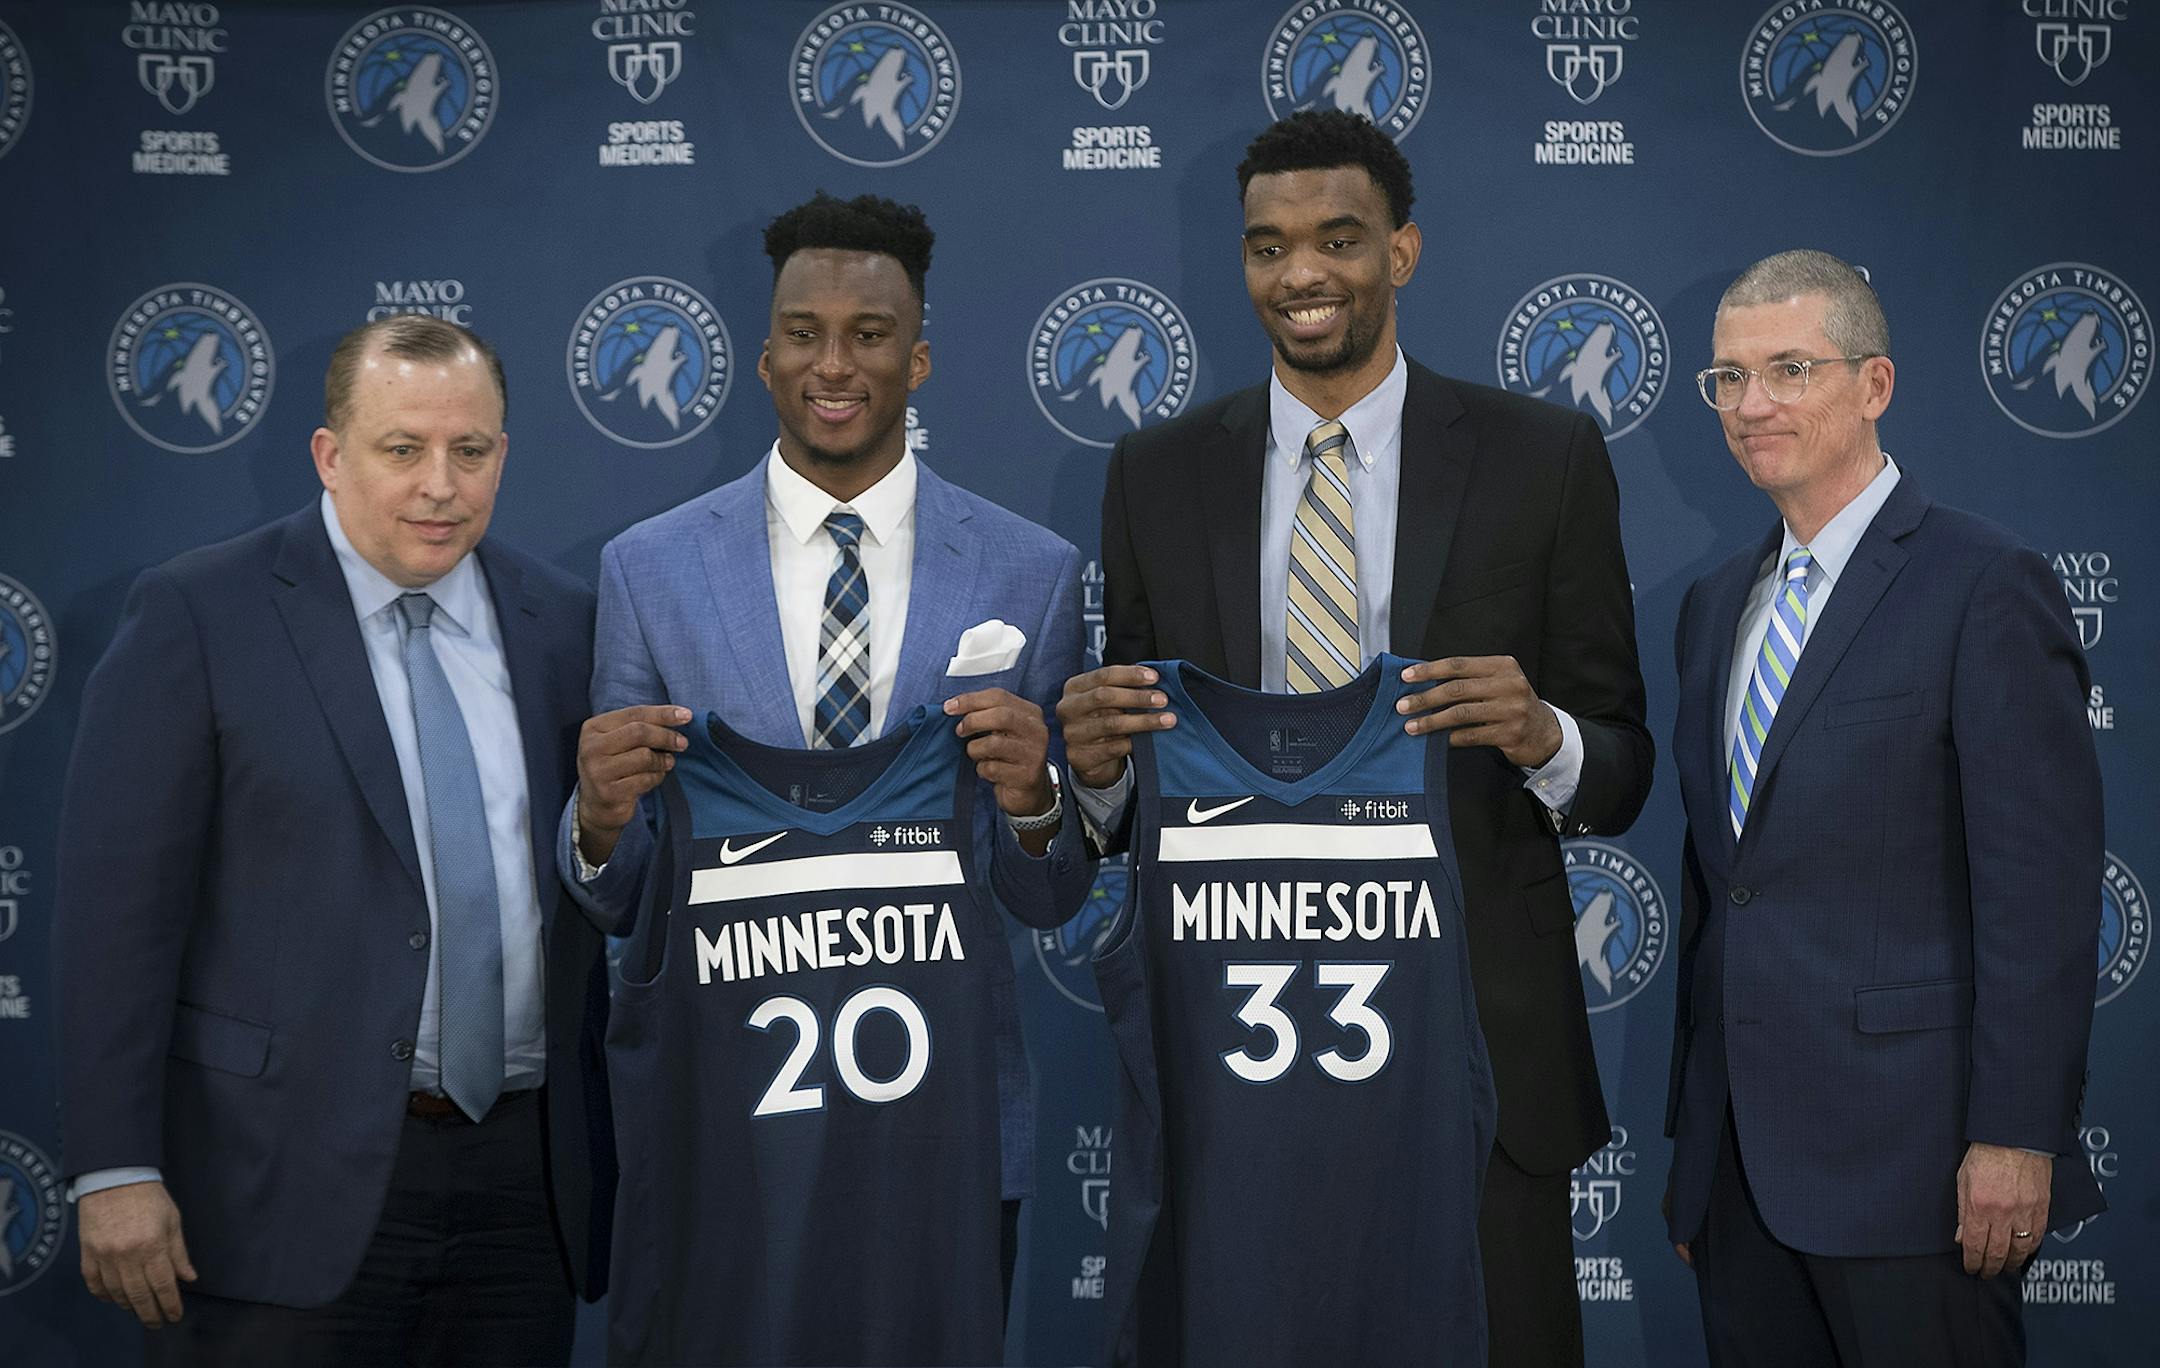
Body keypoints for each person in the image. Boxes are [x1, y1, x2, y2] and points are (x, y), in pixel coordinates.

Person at [1057, 109, 1653, 1366]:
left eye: (1338, 238)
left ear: (1405, 251)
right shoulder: (1154, 474)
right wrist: (1097, 780)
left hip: (1476, 1053)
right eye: (1269, 248)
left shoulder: (1543, 458)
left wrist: (1544, 734)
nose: (1303, 274)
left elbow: (1623, 769)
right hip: (1241, 1049)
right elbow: (1126, 792)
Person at [54, 317, 613, 1365]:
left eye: (471, 450)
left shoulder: (567, 626)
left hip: (522, 1186)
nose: (440, 485)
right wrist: (115, 1167)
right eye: (403, 449)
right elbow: (115, 921)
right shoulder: (198, 614)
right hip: (275, 1180)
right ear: (330, 455)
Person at [560, 191, 1093, 1280]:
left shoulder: (1029, 573)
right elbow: (618, 898)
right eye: (803, 334)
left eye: (869, 334)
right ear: (763, 360)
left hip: (944, 1118)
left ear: (921, 360)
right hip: (725, 1114)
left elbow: (1048, 899)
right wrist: (602, 823)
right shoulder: (648, 570)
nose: (833, 365)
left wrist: (1038, 800)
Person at [1663, 249, 2103, 1367]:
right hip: (1741, 1180)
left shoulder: (1984, 583)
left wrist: (2014, 1137)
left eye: (1790, 370)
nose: (1752, 404)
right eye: (1727, 378)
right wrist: (1697, 1149)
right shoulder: (1716, 609)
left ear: (1875, 385)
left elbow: (2039, 897)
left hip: (1921, 1173)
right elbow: (1726, 891)